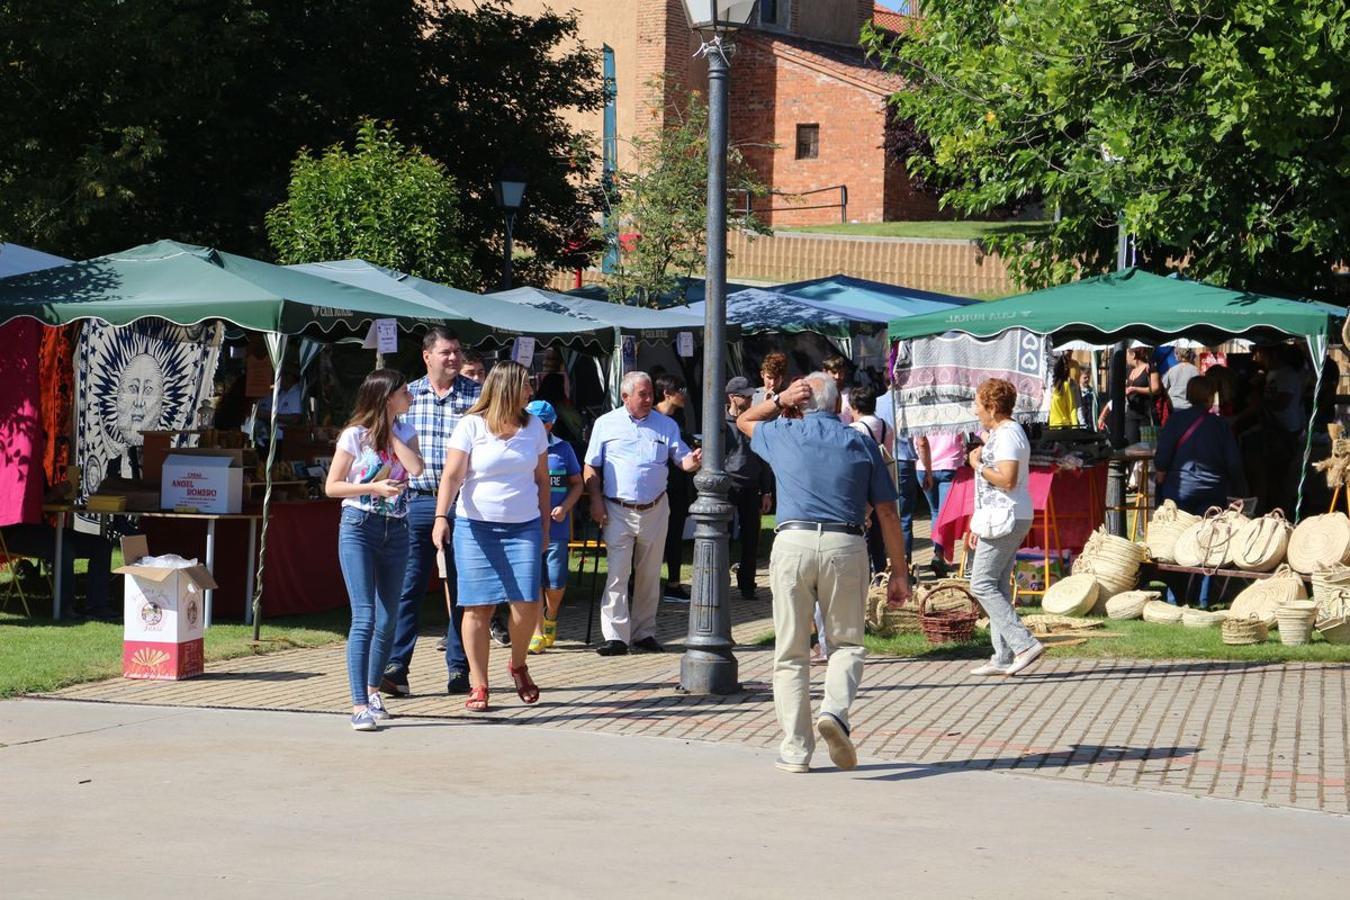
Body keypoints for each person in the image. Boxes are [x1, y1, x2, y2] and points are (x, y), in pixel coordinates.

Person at [737, 371, 909, 774]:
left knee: (791, 651)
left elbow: (745, 421)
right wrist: (899, 572)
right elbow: (886, 511)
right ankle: (834, 711)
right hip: (845, 544)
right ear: (839, 405)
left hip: (792, 543)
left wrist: (779, 399)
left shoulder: (784, 433)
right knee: (847, 643)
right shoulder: (861, 442)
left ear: (801, 403)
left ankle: (797, 749)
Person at [431, 361, 550, 712]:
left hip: (524, 524)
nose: (530, 392)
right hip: (475, 526)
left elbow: (543, 481)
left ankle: (517, 664)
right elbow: (452, 477)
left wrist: (544, 528)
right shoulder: (470, 425)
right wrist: (441, 517)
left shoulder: (534, 428)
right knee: (477, 606)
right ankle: (479, 684)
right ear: (508, 389)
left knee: (527, 603)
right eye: (526, 386)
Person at [382, 328, 482, 699]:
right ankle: (397, 667)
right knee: (408, 585)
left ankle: (460, 667)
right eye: (446, 352)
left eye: (457, 351)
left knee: (462, 587)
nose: (454, 358)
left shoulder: (477, 396)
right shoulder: (407, 395)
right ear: (427, 356)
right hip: (417, 500)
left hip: (463, 502)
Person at [325, 369, 424, 731]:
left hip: (396, 530)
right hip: (359, 528)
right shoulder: (354, 436)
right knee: (364, 616)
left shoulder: (406, 432)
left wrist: (390, 432)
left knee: (388, 618)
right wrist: (373, 489)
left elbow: (416, 468)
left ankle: (373, 690)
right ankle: (357, 704)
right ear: (386, 397)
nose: (409, 396)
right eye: (403, 392)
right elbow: (333, 487)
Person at [584, 371, 702, 655]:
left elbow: (681, 458)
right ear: (625, 397)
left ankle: (643, 633)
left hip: (655, 507)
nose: (650, 399)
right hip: (617, 508)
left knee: (650, 575)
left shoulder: (666, 425)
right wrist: (595, 501)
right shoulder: (606, 424)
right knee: (618, 573)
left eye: (651, 393)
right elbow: (591, 466)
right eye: (643, 394)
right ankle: (615, 637)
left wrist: (694, 461)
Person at [965, 378, 1045, 678]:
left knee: (981, 583)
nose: (976, 410)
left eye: (978, 404)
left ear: (993, 407)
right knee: (997, 584)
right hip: (999, 516)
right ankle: (1003, 655)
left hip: (1007, 516)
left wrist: (978, 466)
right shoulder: (1000, 434)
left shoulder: (1009, 433)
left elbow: (1007, 479)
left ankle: (1023, 644)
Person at [526, 399, 582, 654]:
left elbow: (577, 484)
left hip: (557, 526)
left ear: (550, 425)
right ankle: (536, 632)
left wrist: (566, 507)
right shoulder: (521, 446)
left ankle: (551, 616)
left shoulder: (563, 449)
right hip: (528, 524)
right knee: (533, 579)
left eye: (539, 422)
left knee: (556, 582)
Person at [1153, 375, 1246, 515]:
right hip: (1213, 491)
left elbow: (1161, 459)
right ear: (1209, 397)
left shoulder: (1175, 420)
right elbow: (1234, 462)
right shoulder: (1220, 425)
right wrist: (1241, 491)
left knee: (1179, 533)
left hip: (1179, 490)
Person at [724, 376, 773, 600]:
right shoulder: (721, 423)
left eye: (751, 395)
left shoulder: (755, 422)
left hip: (752, 484)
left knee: (751, 537)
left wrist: (767, 490)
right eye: (745, 396)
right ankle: (719, 580)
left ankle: (747, 583)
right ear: (732, 397)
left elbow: (764, 457)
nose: (749, 399)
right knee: (721, 535)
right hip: (728, 485)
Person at [655, 372, 694, 602]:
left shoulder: (678, 418)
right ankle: (635, 580)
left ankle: (674, 583)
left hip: (678, 484)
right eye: (680, 389)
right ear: (667, 393)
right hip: (659, 485)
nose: (684, 395)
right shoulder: (651, 417)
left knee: (675, 533)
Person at [847, 386, 890, 575]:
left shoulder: (855, 430)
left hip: (862, 485)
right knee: (878, 534)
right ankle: (880, 574)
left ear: (854, 406)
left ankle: (864, 573)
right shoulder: (886, 426)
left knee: (863, 530)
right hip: (882, 483)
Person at [916, 430, 965, 577]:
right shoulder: (954, 410)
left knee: (935, 513)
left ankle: (938, 553)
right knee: (944, 515)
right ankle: (940, 555)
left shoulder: (919, 412)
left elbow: (920, 442)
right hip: (949, 465)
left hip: (923, 466)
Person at [1100, 347, 1160, 443]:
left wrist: (1135, 389)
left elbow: (1156, 388)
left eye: (1127, 354)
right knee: (1132, 446)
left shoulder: (1150, 368)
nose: (1126, 357)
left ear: (1133, 355)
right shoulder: (1129, 370)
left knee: (1146, 447)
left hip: (1146, 414)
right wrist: (1104, 412)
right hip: (1131, 414)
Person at [1048, 355, 1080, 427]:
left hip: (1063, 427)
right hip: (1052, 427)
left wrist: (1075, 427)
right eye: (1063, 365)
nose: (1066, 368)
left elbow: (1072, 408)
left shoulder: (1065, 385)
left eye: (1067, 365)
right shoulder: (1050, 385)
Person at [822, 354, 854, 423]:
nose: (837, 376)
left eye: (841, 373)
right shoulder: (819, 394)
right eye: (834, 372)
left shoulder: (850, 394)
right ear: (825, 372)